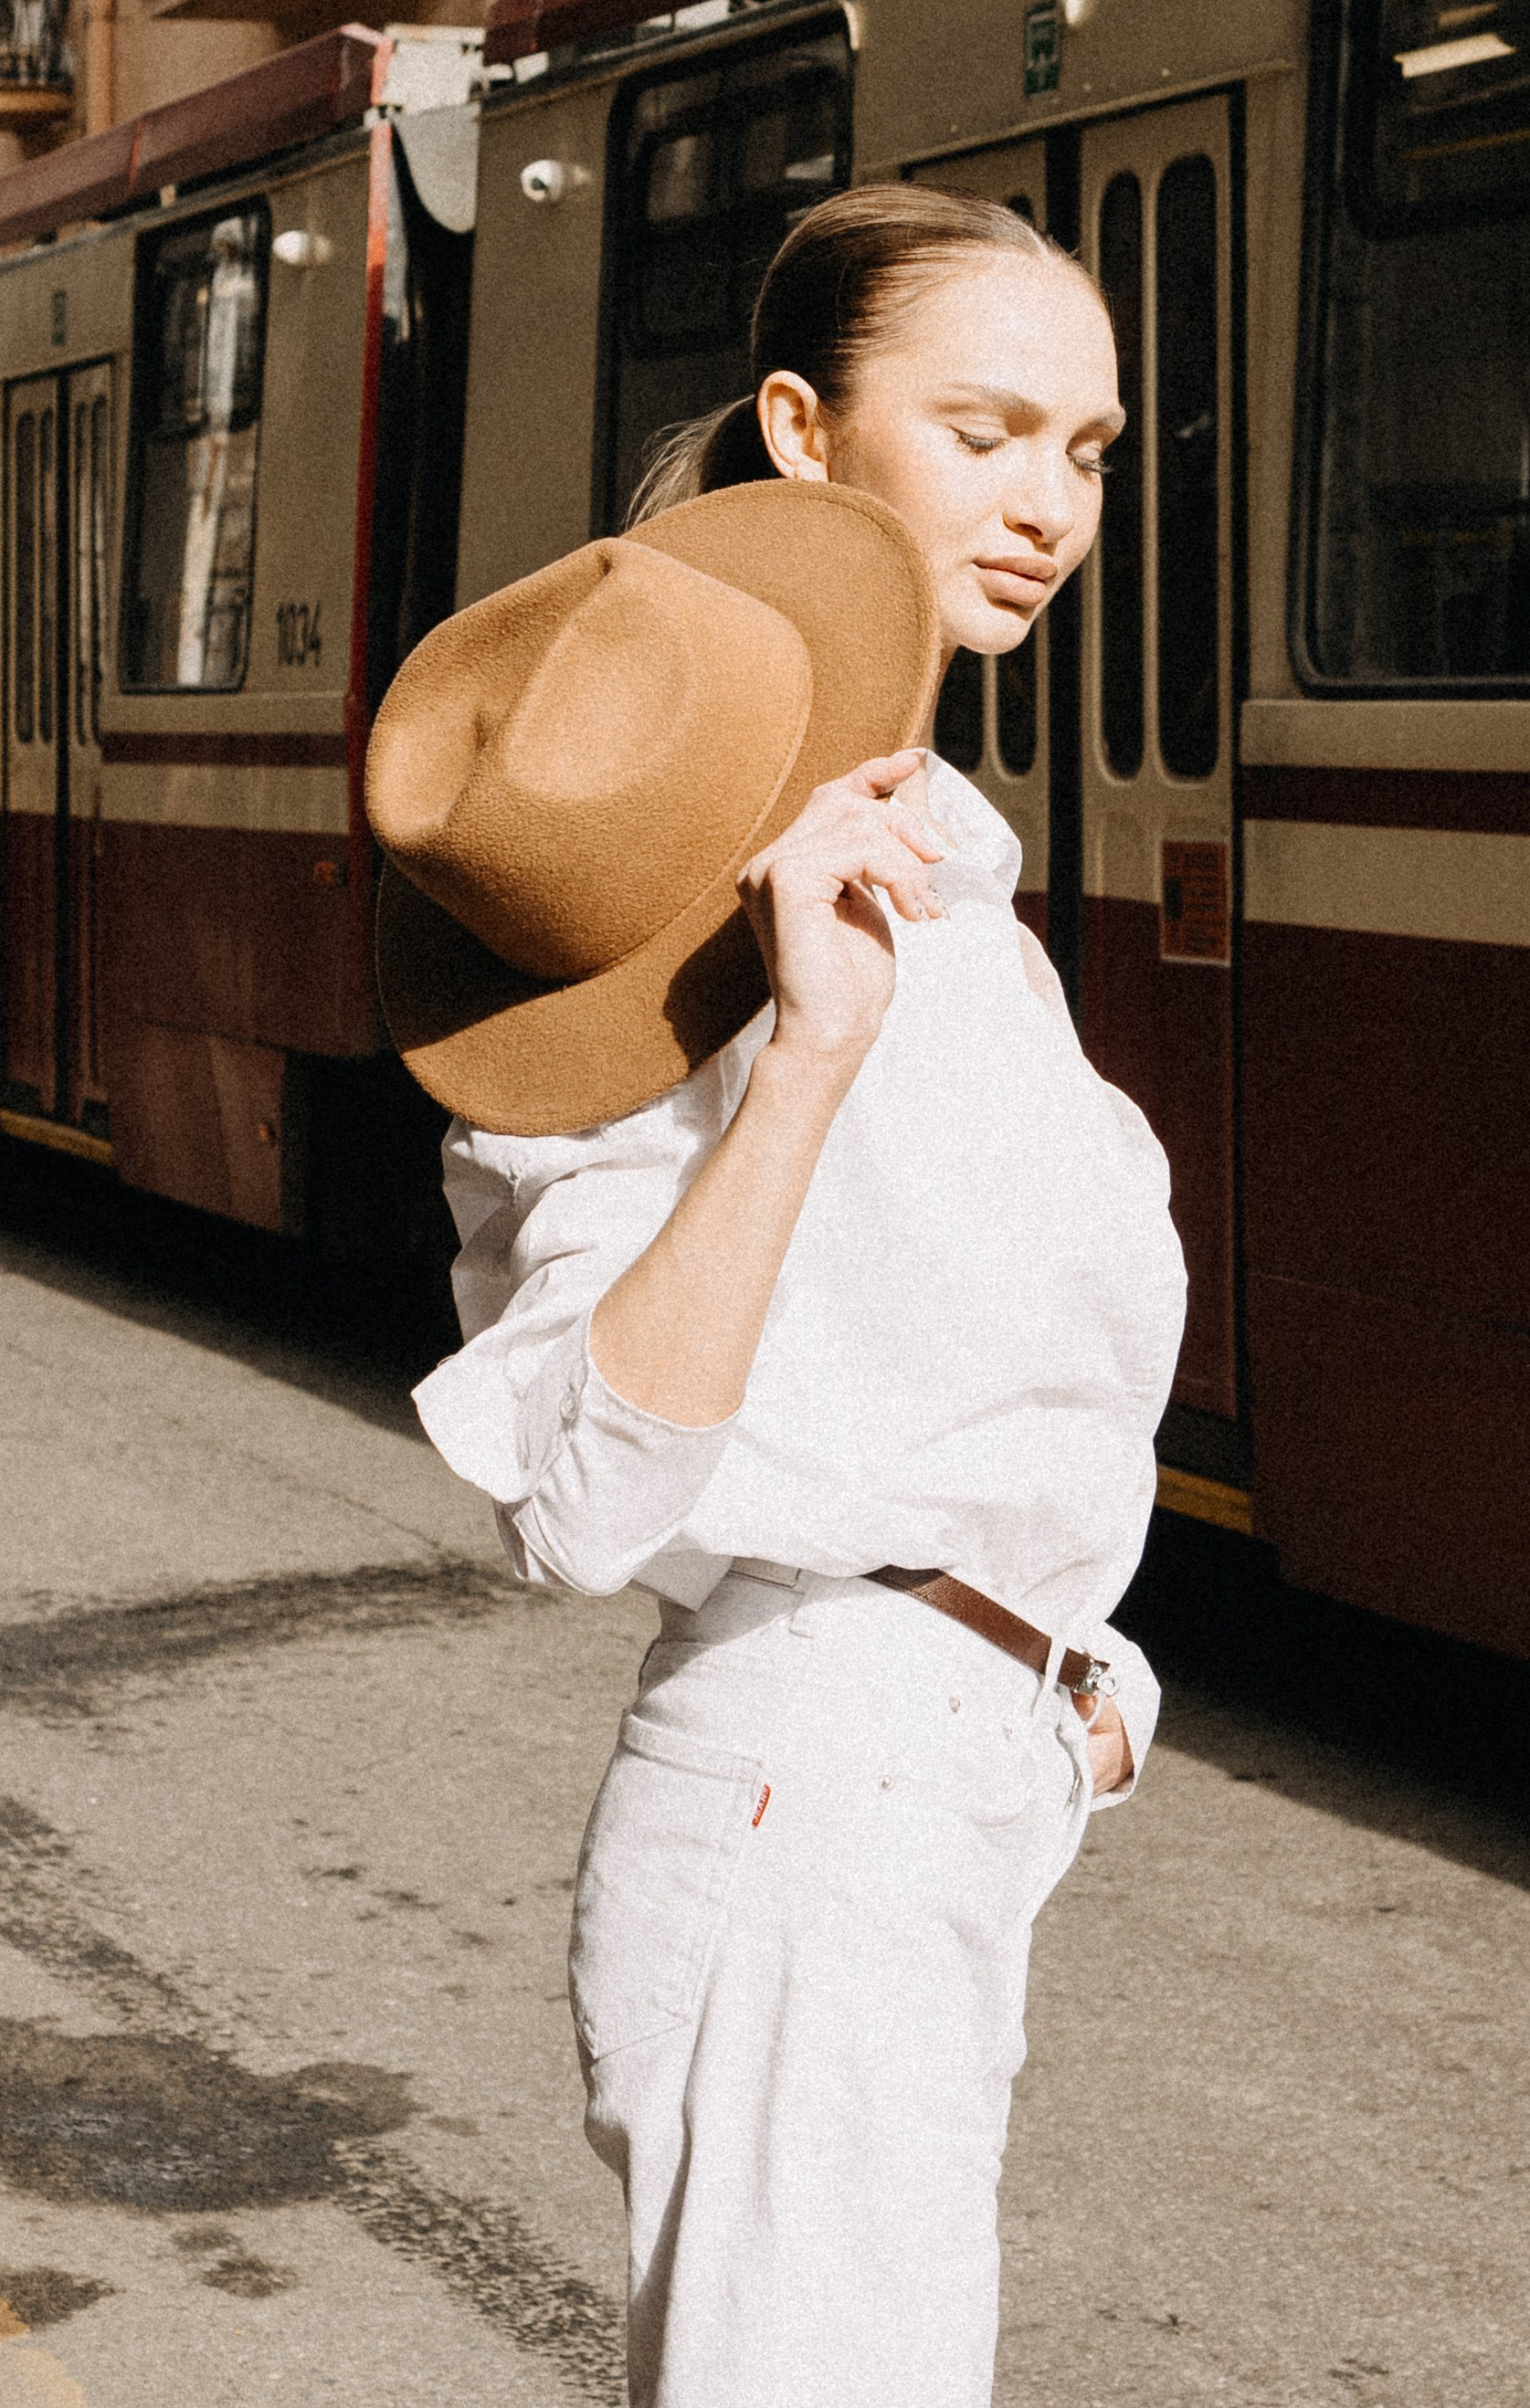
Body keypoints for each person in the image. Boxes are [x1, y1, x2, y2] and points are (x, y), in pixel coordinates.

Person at [369, 188, 1188, 2408]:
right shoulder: (663, 903)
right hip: (813, 1808)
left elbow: (1011, 1372)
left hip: (939, 1788)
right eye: (987, 428)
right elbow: (583, 1496)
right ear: (806, 436)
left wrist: (1072, 1686)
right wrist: (805, 1049)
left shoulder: (950, 869)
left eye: (1090, 449)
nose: (1046, 503)